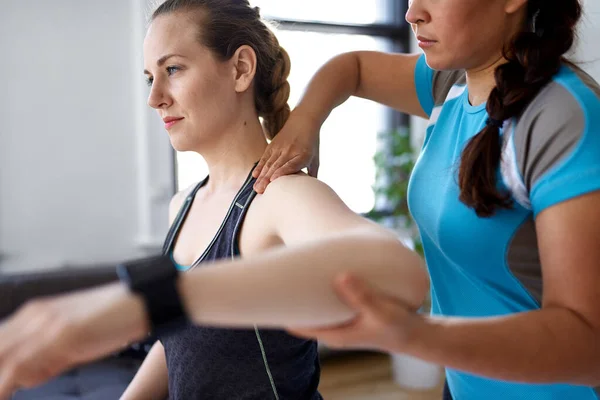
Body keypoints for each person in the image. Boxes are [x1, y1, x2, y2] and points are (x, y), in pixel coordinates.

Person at [0, 0, 428, 399]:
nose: (154, 98)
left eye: (173, 69)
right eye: (151, 77)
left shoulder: (281, 196)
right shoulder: (183, 204)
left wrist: (145, 300)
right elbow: (179, 340)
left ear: (241, 69)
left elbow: (399, 271)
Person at [251, 0, 600, 399]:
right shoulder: (451, 83)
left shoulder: (563, 115)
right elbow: (353, 68)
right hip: (465, 384)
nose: (412, 13)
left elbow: (589, 343)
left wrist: (413, 334)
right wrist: (305, 122)